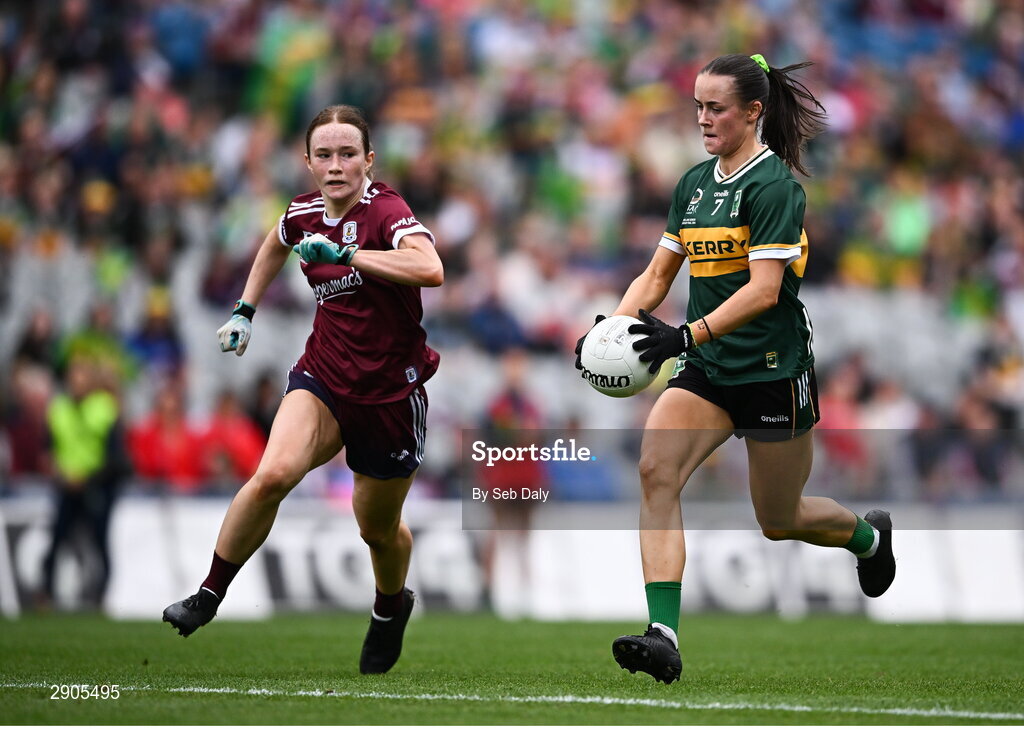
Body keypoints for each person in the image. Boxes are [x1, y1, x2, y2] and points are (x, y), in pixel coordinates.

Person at [574, 54, 895, 684]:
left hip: (774, 372)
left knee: (779, 519)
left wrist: (681, 333)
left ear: (753, 112)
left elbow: (764, 291)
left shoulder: (776, 187)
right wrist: (609, 330)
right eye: (697, 106)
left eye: (715, 107)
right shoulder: (693, 184)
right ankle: (662, 633)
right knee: (654, 470)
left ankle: (869, 537)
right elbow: (659, 273)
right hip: (709, 368)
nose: (703, 118)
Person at [162, 105, 443, 676]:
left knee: (377, 530)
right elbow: (274, 243)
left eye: (347, 154)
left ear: (369, 161)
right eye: (324, 154)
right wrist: (245, 309)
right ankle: (209, 594)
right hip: (324, 377)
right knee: (271, 475)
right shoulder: (302, 211)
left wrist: (348, 255)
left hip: (391, 394)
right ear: (308, 160)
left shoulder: (386, 210)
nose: (335, 165)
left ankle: (390, 608)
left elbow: (431, 268)